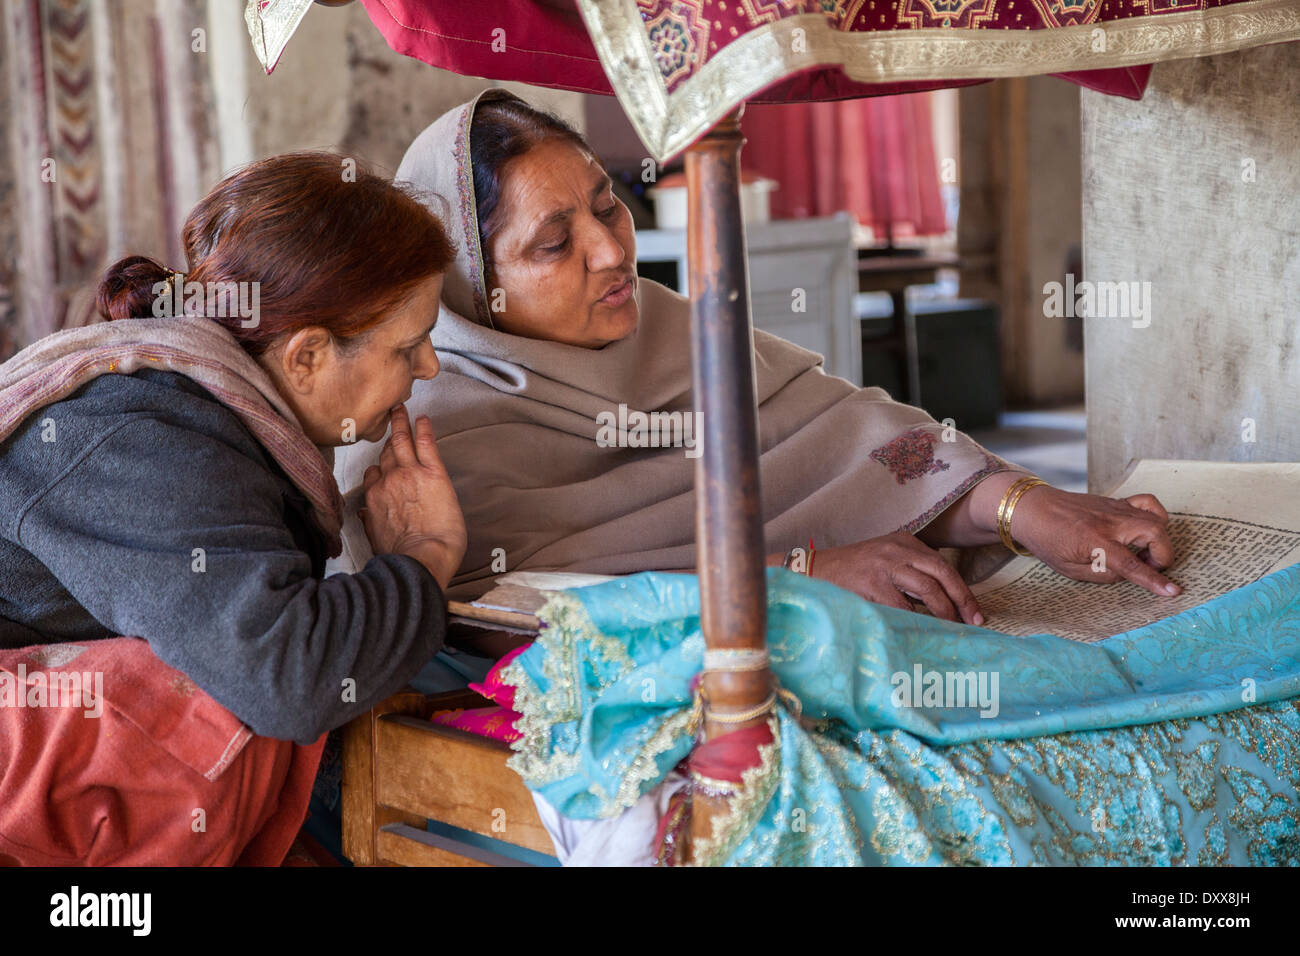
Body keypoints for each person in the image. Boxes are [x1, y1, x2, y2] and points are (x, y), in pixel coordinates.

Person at [332, 90, 1181, 629]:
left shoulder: (676, 334)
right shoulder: (434, 435)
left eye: (609, 208)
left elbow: (856, 442)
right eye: (555, 244)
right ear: (472, 286)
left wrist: (1018, 505)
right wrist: (799, 576)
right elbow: (515, 607)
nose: (609, 251)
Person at [0, 152, 466, 864]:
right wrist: (424, 556)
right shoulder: (139, 438)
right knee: (217, 697)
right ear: (307, 356)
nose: (429, 368)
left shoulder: (204, 405)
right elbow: (288, 676)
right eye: (410, 346)